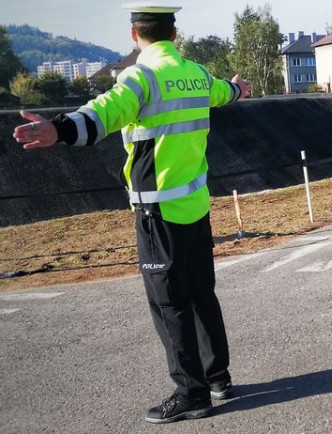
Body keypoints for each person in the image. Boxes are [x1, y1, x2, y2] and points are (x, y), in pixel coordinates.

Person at [12, 3, 251, 424]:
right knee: (201, 296)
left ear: (134, 35)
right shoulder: (195, 74)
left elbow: (100, 114)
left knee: (168, 304)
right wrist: (238, 87)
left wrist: (57, 130)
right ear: (174, 33)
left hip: (158, 213)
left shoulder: (140, 77)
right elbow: (223, 92)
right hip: (195, 207)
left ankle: (191, 393)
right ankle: (218, 379)